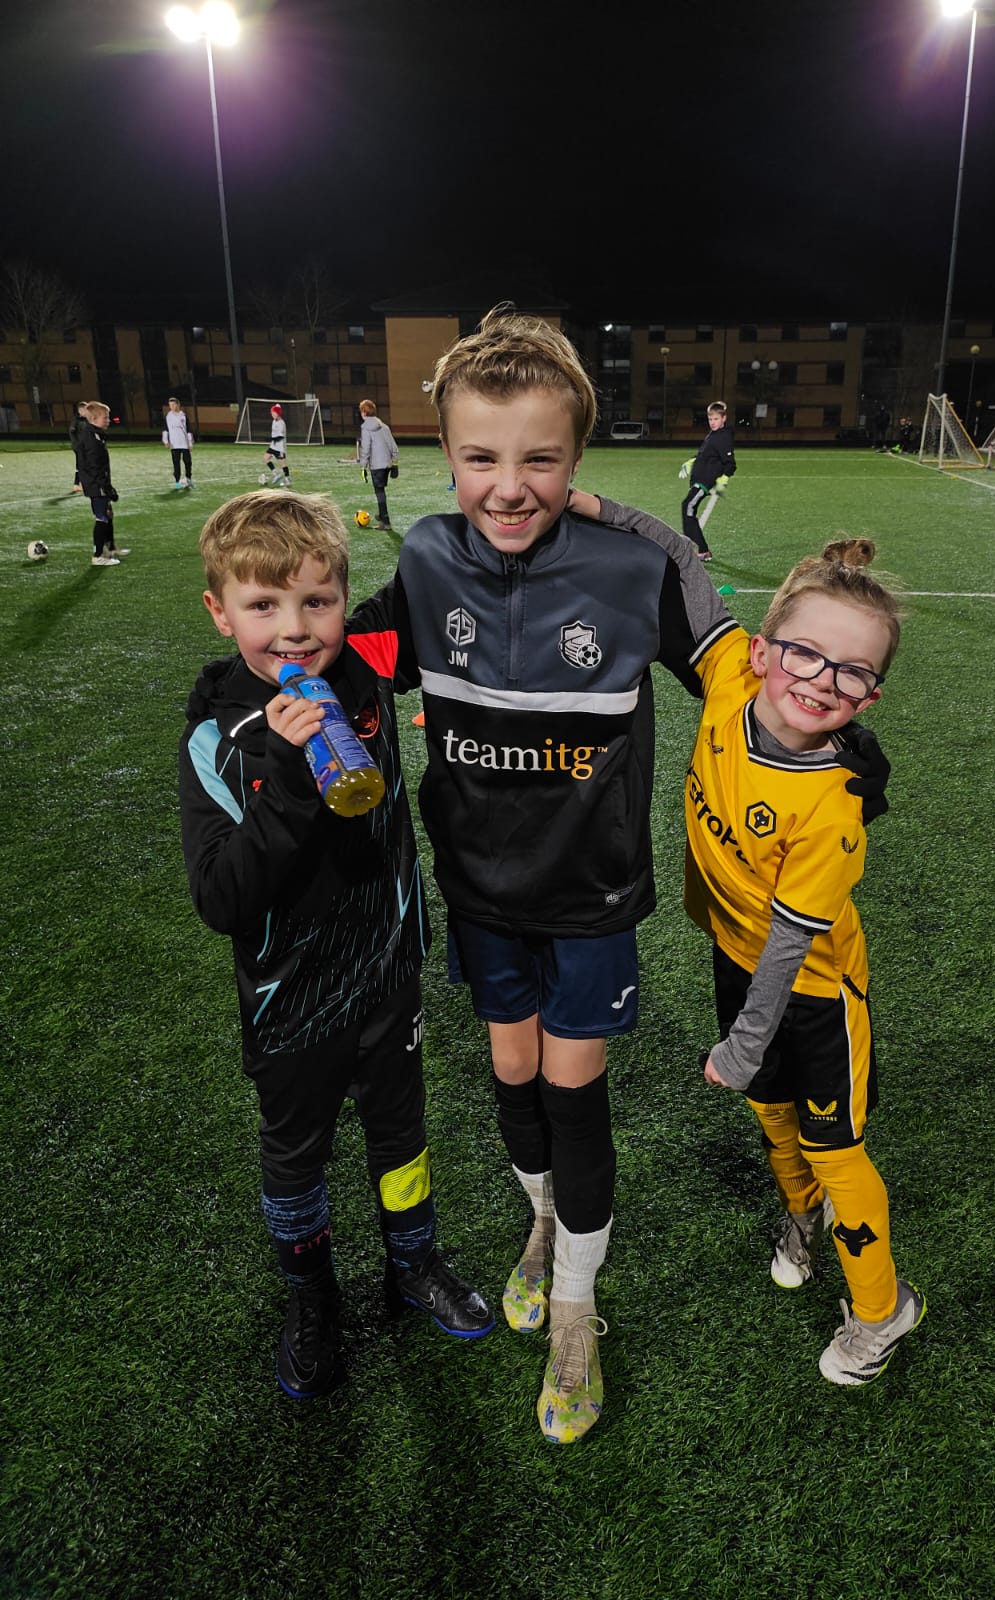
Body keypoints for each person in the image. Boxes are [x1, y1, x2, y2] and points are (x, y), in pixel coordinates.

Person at [348, 307, 890, 1442]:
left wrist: (839, 743)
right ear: (444, 453)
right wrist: (274, 690)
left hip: (591, 903)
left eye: (539, 459)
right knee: (509, 1074)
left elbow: (743, 676)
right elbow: (366, 653)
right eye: (481, 458)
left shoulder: (629, 566)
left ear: (576, 458)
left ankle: (579, 1314)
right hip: (478, 891)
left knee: (570, 1090)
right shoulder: (427, 554)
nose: (507, 485)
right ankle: (542, 1226)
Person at [178, 489, 493, 1401]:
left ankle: (413, 1263)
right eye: (263, 606)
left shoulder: (364, 658)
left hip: (387, 976)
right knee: (297, 1154)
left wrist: (508, 493)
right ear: (220, 610)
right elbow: (223, 897)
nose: (294, 629)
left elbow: (438, 569)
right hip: (290, 1001)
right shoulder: (217, 737)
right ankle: (311, 1299)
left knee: (401, 1135)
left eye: (316, 601)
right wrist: (289, 774)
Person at [684, 537, 924, 1386]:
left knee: (835, 1148)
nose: (823, 679)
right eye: (806, 653)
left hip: (814, 993)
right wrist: (588, 505)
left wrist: (747, 1041)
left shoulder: (833, 804)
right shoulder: (728, 684)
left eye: (852, 671)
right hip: (734, 959)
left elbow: (792, 945)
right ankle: (801, 1219)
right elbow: (682, 558)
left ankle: (882, 1308)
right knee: (771, 1117)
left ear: (872, 695)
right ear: (760, 653)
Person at [680, 401, 736, 561]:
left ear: (724, 418)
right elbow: (705, 453)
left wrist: (723, 480)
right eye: (710, 419)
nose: (713, 422)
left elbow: (730, 463)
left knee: (688, 507)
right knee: (688, 509)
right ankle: (699, 549)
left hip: (705, 480)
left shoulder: (723, 437)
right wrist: (690, 462)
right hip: (699, 478)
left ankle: (700, 550)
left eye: (716, 419)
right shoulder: (714, 434)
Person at [76, 401, 129, 566]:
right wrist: (106, 487)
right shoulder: (91, 437)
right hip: (96, 485)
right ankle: (98, 555)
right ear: (93, 418)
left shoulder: (95, 434)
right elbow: (94, 466)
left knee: (108, 514)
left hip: (97, 483)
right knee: (102, 518)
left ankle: (110, 548)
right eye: (105, 417)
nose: (108, 420)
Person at [356, 399, 398, 530]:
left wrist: (363, 467)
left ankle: (385, 522)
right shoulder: (384, 426)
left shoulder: (365, 428)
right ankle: (381, 515)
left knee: (379, 492)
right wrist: (395, 464)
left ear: (363, 412)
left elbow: (366, 448)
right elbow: (393, 446)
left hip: (377, 465)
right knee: (381, 490)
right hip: (387, 465)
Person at [162, 396, 195, 490]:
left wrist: (190, 443)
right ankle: (177, 482)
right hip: (174, 444)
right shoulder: (168, 416)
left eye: (173, 404)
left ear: (178, 404)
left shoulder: (183, 415)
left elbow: (188, 430)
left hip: (184, 444)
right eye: (170, 405)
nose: (172, 406)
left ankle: (189, 480)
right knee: (176, 463)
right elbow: (165, 429)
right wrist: (166, 441)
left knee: (188, 462)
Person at [259, 404, 291, 487]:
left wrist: (271, 439)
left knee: (282, 463)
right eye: (272, 413)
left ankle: (288, 480)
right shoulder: (274, 421)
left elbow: (280, 437)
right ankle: (276, 474)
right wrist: (272, 440)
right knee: (266, 457)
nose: (272, 414)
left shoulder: (281, 423)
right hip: (273, 446)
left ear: (278, 413)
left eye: (274, 413)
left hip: (280, 447)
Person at [68, 399, 88, 492]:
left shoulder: (87, 420)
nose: (86, 411)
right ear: (80, 410)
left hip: (87, 447)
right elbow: (72, 433)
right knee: (81, 465)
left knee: (85, 465)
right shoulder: (76, 420)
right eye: (85, 410)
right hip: (79, 447)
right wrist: (77, 445)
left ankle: (79, 484)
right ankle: (78, 484)